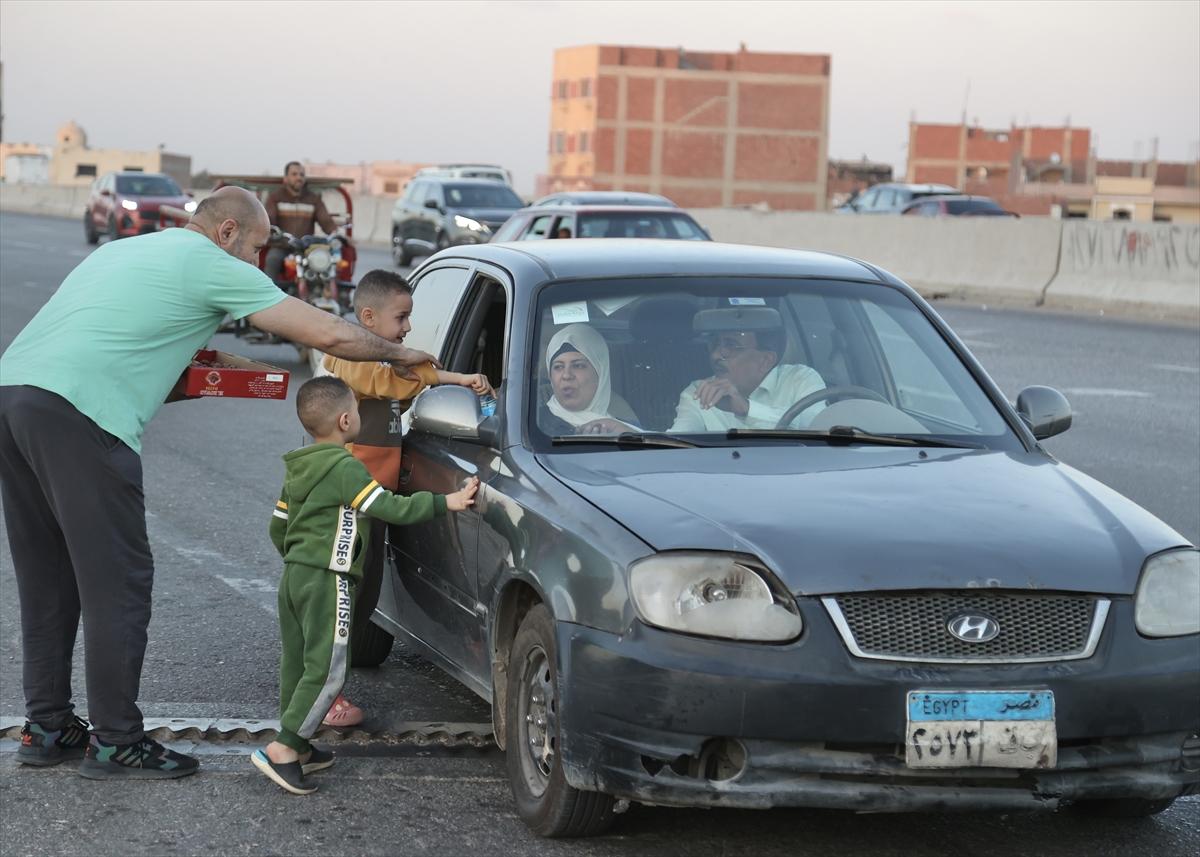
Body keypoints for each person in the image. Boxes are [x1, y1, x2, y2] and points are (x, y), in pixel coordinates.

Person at [0, 186, 438, 780]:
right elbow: (330, 335)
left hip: (14, 396)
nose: (259, 263)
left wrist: (212, 378)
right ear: (227, 232)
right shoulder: (210, 260)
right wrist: (401, 355)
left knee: (47, 578)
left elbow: (118, 350)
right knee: (118, 584)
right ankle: (116, 741)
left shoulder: (126, 252)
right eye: (256, 248)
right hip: (80, 416)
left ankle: (48, 727)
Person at [252, 376, 479, 795]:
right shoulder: (346, 468)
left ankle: (298, 743)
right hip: (329, 577)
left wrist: (299, 557)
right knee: (328, 667)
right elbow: (388, 507)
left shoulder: (298, 465)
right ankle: (283, 748)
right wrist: (445, 501)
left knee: (297, 661)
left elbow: (277, 526)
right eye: (357, 411)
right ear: (345, 421)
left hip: (295, 575)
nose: (359, 417)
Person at [317, 269, 491, 727]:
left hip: (372, 502)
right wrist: (450, 377)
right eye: (401, 318)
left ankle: (329, 686)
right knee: (340, 601)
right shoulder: (350, 358)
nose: (408, 328)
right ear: (368, 318)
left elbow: (400, 382)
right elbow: (390, 383)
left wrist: (449, 378)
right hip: (347, 506)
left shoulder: (381, 365)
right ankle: (321, 695)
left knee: (362, 596)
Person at [669, 308, 825, 432]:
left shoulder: (800, 380)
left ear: (765, 361)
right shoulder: (700, 392)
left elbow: (817, 430)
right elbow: (676, 444)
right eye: (715, 343)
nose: (716, 355)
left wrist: (747, 409)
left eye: (731, 345)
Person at [540, 323, 639, 435]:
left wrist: (624, 434)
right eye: (558, 367)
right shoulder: (534, 425)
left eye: (578, 366)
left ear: (600, 373)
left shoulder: (623, 421)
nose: (566, 375)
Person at [264, 161, 341, 282]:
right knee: (272, 259)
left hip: (307, 247)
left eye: (301, 174)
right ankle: (268, 292)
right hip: (282, 245)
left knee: (330, 263)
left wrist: (336, 233)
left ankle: (328, 291)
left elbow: (325, 220)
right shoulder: (275, 197)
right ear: (286, 178)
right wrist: (271, 231)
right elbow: (269, 219)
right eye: (294, 174)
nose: (299, 177)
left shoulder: (313, 199)